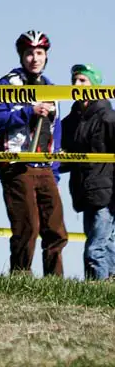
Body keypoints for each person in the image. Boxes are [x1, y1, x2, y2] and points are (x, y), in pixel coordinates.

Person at [0, 30, 68, 276]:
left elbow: (57, 130)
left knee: (56, 230)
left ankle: (56, 283)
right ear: (22, 56)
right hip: (16, 164)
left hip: (45, 167)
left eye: (39, 53)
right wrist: (28, 112)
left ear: (46, 56)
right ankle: (21, 277)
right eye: (29, 53)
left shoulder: (52, 88)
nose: (35, 58)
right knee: (27, 227)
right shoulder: (8, 83)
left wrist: (54, 170)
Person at [60, 64, 115, 280]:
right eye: (74, 79)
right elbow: (65, 156)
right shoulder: (72, 120)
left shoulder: (108, 118)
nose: (76, 84)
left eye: (83, 80)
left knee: (95, 250)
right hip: (84, 193)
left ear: (95, 85)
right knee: (107, 246)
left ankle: (96, 292)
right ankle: (108, 293)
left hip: (106, 194)